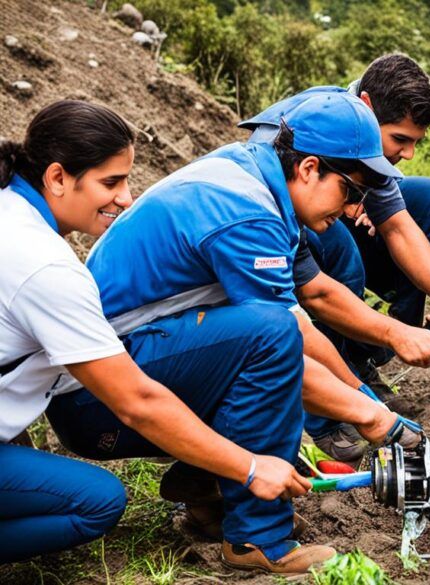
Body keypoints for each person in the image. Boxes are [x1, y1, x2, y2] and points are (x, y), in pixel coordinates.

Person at [45, 92, 420, 566]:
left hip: (119, 370)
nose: (352, 210)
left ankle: (210, 493)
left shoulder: (250, 176)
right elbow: (284, 342)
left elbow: (296, 330)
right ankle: (259, 539)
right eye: (352, 191)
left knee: (267, 341)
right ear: (308, 169)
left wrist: (364, 400)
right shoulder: (246, 214)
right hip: (95, 398)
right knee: (269, 337)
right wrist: (375, 417)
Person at [0, 100, 328, 571]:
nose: (126, 198)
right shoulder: (44, 266)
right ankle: (260, 538)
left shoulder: (11, 211)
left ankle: (208, 488)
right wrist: (251, 467)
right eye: (110, 182)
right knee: (97, 502)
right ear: (56, 178)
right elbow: (138, 402)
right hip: (82, 412)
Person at [242, 55, 430, 389]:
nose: (409, 155)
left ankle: (390, 336)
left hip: (324, 227)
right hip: (280, 239)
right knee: (340, 248)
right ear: (366, 105)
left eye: (416, 142)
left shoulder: (368, 132)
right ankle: (349, 366)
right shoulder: (317, 125)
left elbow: (398, 226)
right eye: (400, 140)